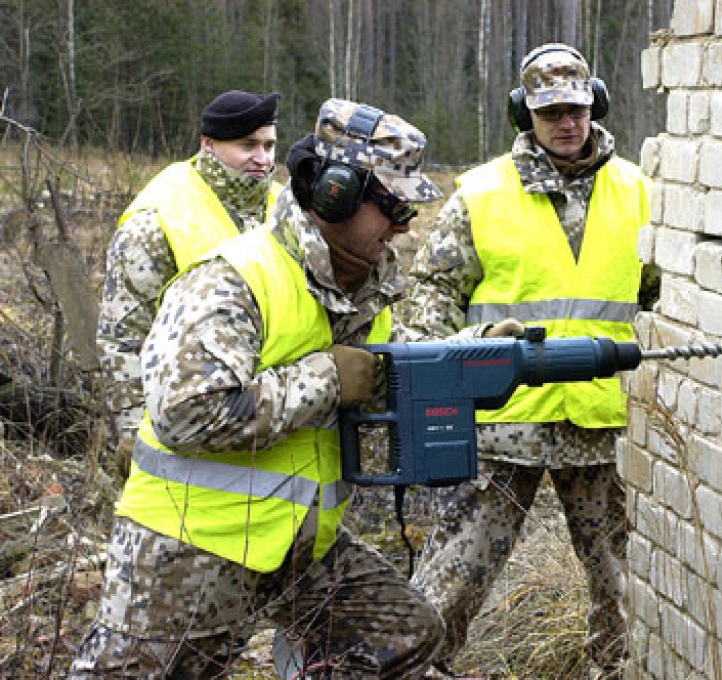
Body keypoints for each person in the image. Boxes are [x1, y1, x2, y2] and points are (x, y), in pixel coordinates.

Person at [71, 98, 444, 679]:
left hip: (295, 544)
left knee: (406, 633)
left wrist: (480, 349)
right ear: (334, 194)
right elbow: (188, 413)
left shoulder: (363, 286)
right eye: (393, 205)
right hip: (189, 549)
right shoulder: (233, 278)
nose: (403, 224)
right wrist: (325, 378)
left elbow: (382, 367)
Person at [408, 43, 658, 679]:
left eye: (575, 109)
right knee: (452, 581)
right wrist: (445, 379)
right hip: (500, 423)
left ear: (595, 103)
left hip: (599, 425)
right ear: (526, 114)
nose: (566, 123)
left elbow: (661, 294)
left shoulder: (641, 191)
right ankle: (413, 671)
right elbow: (429, 298)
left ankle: (616, 673)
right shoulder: (480, 194)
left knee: (623, 587)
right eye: (550, 114)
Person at [96, 89, 283, 478]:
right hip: (184, 425)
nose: (262, 159)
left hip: (271, 423)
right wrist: (133, 430)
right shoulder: (157, 219)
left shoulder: (286, 210)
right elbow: (124, 337)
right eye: (247, 145)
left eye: (269, 145)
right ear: (208, 144)